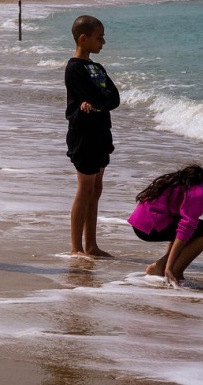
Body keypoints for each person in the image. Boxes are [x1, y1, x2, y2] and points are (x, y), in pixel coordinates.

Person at [128, 152, 203, 287]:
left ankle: (161, 267)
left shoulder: (196, 180)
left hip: (145, 221)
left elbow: (179, 222)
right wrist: (170, 268)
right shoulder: (199, 193)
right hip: (149, 226)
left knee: (192, 227)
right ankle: (172, 272)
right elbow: (184, 229)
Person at [65, 15, 121, 257]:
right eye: (99, 38)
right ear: (84, 38)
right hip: (83, 135)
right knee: (85, 189)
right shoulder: (74, 69)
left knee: (96, 189)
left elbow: (114, 98)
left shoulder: (97, 68)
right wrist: (98, 99)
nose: (104, 42)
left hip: (101, 132)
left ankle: (92, 245)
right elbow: (99, 97)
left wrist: (99, 100)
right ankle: (76, 247)